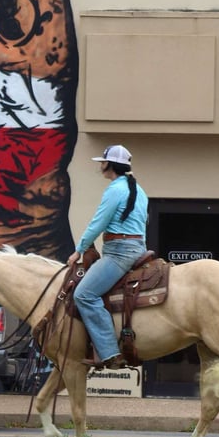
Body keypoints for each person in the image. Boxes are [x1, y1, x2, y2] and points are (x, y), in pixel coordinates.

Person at [67, 145, 149, 369]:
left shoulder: (114, 190)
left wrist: (79, 250)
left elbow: (98, 223)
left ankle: (110, 353)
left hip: (119, 252)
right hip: (138, 248)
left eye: (102, 161)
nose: (100, 165)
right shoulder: (138, 190)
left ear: (110, 165)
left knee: (84, 294)